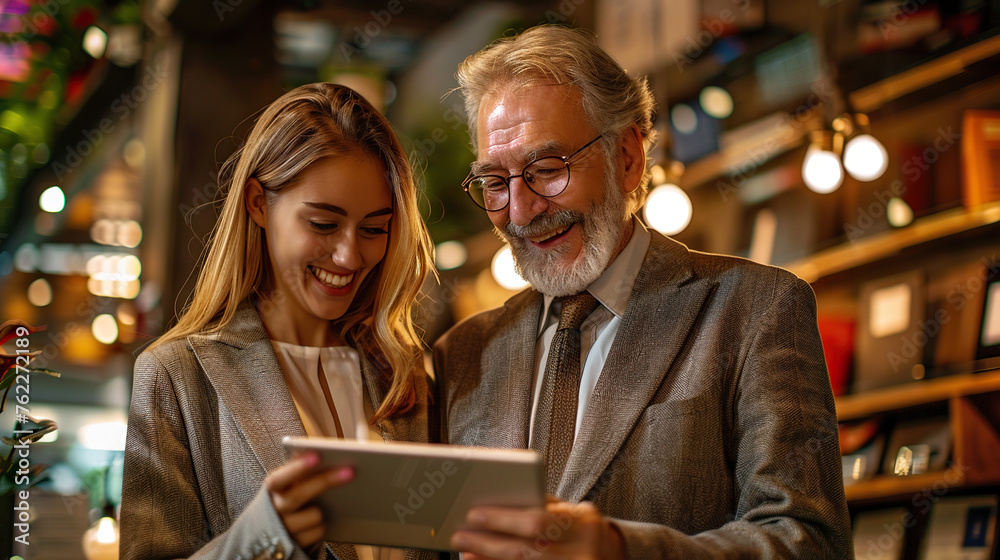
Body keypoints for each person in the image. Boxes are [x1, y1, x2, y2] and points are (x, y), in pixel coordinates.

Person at [433, 25, 853, 558]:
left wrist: (618, 549)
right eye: (495, 182)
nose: (520, 212)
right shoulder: (462, 355)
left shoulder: (757, 310)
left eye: (546, 169)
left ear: (628, 156)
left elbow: (811, 543)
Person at [121, 83, 439, 560]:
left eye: (374, 229)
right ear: (257, 203)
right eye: (323, 224)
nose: (350, 254)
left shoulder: (401, 375)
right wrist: (265, 534)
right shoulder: (176, 375)